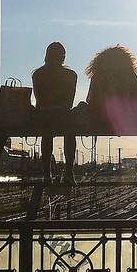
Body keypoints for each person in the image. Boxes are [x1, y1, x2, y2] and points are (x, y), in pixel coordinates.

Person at [32, 42, 78, 185]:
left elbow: (39, 99)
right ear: (63, 57)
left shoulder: (38, 74)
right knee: (70, 133)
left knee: (46, 136)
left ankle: (47, 174)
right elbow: (69, 101)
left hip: (44, 116)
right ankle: (69, 172)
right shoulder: (71, 76)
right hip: (63, 115)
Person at [84, 45, 137, 135]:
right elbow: (136, 97)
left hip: (101, 117)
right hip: (127, 117)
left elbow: (91, 99)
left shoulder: (98, 77)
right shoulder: (130, 76)